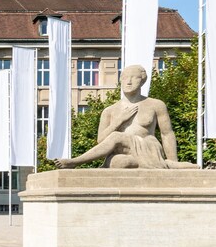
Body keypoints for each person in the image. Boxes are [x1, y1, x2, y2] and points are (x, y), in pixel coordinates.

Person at [54, 64, 196, 169]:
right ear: (120, 80)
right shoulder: (109, 110)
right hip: (123, 152)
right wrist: (118, 121)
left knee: (116, 136)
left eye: (134, 78)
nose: (128, 82)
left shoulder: (155, 104)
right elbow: (101, 140)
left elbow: (167, 134)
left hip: (148, 148)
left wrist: (174, 160)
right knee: (121, 163)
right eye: (125, 78)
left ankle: (75, 162)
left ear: (142, 80)